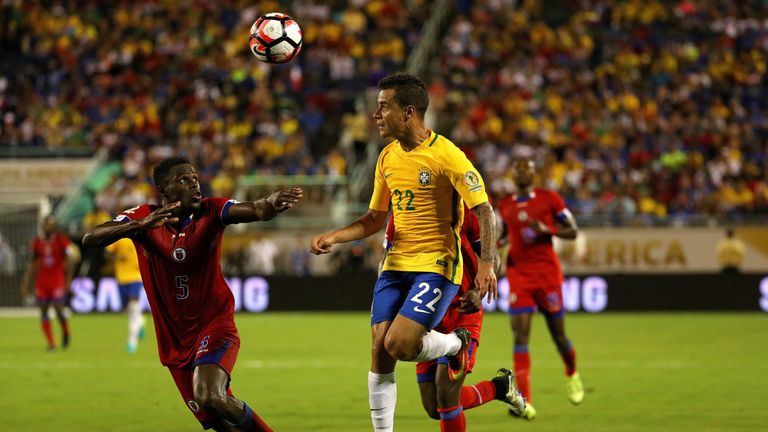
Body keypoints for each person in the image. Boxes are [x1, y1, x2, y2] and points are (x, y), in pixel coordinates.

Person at [310, 72, 499, 432]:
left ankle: (454, 345)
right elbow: (373, 219)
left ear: (409, 112)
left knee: (400, 343)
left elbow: (484, 209)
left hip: (436, 265)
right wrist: (335, 236)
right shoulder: (386, 158)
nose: (376, 116)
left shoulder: (448, 156)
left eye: (383, 107)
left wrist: (487, 264)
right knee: (380, 350)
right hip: (395, 265)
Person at [83, 155, 303, 431]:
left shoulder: (211, 211)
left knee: (210, 395)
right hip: (174, 340)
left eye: (195, 178)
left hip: (214, 323)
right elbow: (90, 238)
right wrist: (138, 226)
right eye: (183, 180)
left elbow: (256, 210)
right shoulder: (143, 216)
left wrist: (271, 203)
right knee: (220, 422)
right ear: (163, 190)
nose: (194, 184)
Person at [384, 207, 526, 430]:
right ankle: (498, 388)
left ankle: (496, 387)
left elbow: (493, 260)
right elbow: (388, 265)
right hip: (426, 317)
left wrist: (479, 293)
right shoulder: (402, 213)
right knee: (433, 407)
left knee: (447, 393)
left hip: (462, 314)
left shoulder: (463, 211)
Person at [497, 158, 584, 420]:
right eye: (518, 168)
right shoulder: (506, 205)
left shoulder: (550, 199)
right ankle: (523, 401)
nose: (523, 172)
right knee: (520, 336)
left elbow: (573, 231)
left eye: (528, 168)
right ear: (513, 174)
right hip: (520, 277)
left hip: (547, 277)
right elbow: (504, 235)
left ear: (534, 174)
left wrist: (548, 229)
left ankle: (571, 372)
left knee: (559, 337)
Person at [20, 215, 75, 350]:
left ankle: (66, 331)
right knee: (43, 309)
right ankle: (51, 343)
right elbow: (32, 264)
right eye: (44, 224)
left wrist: (68, 281)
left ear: (53, 225)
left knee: (58, 309)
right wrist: (25, 282)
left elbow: (70, 260)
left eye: (48, 224)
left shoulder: (62, 240)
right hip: (42, 282)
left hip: (57, 280)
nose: (46, 226)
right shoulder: (37, 242)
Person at [105, 238, 146, 353]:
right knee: (128, 310)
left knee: (133, 304)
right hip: (121, 278)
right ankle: (141, 322)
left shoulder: (139, 234)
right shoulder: (120, 237)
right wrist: (117, 258)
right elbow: (107, 252)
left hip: (136, 276)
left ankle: (132, 341)